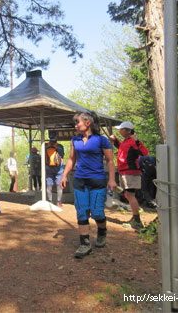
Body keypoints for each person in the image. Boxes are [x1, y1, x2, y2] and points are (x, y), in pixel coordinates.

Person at [60, 111, 116, 258]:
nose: (76, 125)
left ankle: (102, 232)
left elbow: (110, 161)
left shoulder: (102, 140)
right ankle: (85, 244)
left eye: (77, 122)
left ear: (88, 123)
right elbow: (72, 160)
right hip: (80, 181)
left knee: (97, 212)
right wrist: (64, 175)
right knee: (82, 211)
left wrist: (112, 179)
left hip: (97, 181)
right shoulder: (75, 140)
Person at [110, 121, 148, 230]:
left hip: (131, 172)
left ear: (128, 131)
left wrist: (137, 141)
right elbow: (122, 149)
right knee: (127, 194)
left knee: (130, 195)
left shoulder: (133, 141)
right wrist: (115, 140)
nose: (120, 131)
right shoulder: (126, 142)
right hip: (124, 171)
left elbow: (144, 152)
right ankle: (135, 217)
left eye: (122, 129)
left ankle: (137, 220)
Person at [45, 131, 65, 207]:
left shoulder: (45, 146)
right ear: (56, 137)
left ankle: (49, 201)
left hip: (48, 167)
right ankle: (58, 202)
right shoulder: (59, 146)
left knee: (49, 185)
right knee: (59, 185)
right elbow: (62, 156)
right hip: (58, 168)